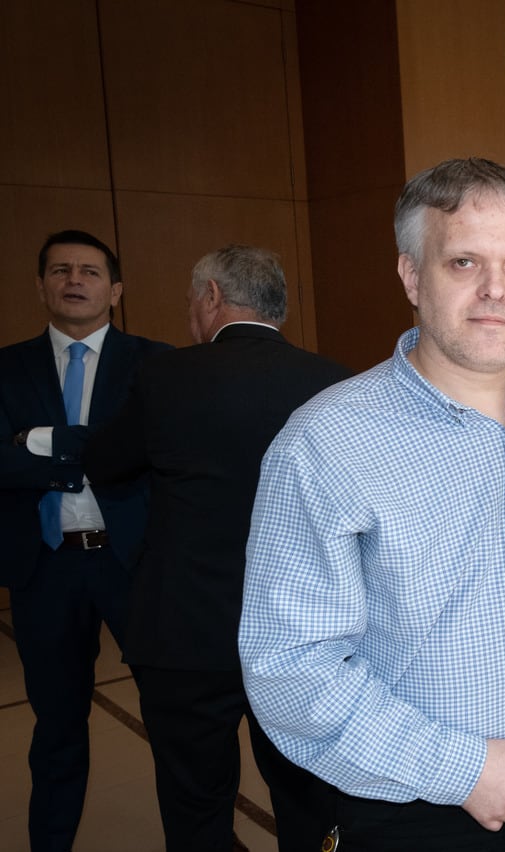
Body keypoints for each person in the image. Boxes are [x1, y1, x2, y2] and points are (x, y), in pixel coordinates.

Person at [238, 158, 505, 851]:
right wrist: (459, 769)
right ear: (411, 275)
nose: (496, 289)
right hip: (413, 804)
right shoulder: (325, 444)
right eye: (464, 262)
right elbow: (289, 665)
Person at [81, 245, 351, 851]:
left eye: (189, 303)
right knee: (307, 798)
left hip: (184, 631)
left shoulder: (167, 376)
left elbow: (105, 463)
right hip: (301, 634)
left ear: (211, 298)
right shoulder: (335, 383)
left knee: (195, 802)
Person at [0, 230, 170, 852]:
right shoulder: (5, 367)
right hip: (45, 570)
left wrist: (37, 441)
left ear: (115, 291)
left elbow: (157, 452)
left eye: (91, 271)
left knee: (172, 721)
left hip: (136, 565)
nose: (75, 280)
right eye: (61, 270)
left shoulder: (158, 363)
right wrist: (97, 448)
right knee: (57, 727)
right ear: (41, 286)